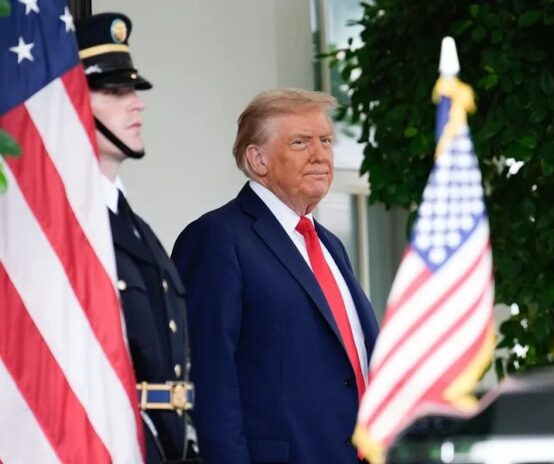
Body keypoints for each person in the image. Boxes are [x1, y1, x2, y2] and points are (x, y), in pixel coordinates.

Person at [172, 88, 380, 463]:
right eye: (300, 142)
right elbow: (208, 379)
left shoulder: (330, 245)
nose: (320, 155)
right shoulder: (217, 238)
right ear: (258, 159)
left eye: (326, 141)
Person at [75, 13, 200, 464]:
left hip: (163, 446)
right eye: (114, 92)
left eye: (133, 90)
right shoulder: (71, 228)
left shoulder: (136, 228)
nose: (136, 104)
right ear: (73, 104)